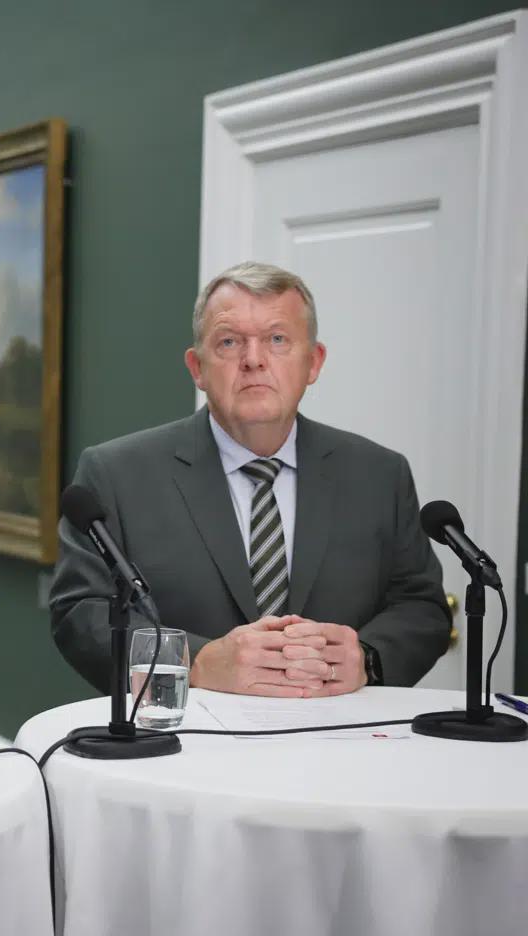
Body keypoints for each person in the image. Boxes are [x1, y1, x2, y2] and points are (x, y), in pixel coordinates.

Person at [50, 261, 449, 697]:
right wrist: (195, 661)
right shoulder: (116, 474)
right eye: (229, 342)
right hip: (185, 732)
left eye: (277, 339)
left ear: (313, 362)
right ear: (197, 368)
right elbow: (80, 614)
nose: (254, 360)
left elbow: (421, 607)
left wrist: (368, 659)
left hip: (341, 730)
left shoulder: (380, 475)